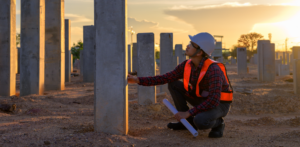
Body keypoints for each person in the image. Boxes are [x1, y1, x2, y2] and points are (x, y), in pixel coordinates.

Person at [128, 32, 233, 138]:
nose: (188, 45)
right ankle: (186, 122)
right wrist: (137, 80)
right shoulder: (186, 65)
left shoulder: (214, 69)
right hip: (203, 100)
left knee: (200, 121)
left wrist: (188, 112)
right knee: (173, 84)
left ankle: (219, 123)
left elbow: (213, 100)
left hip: (219, 104)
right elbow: (165, 78)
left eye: (192, 44)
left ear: (199, 52)